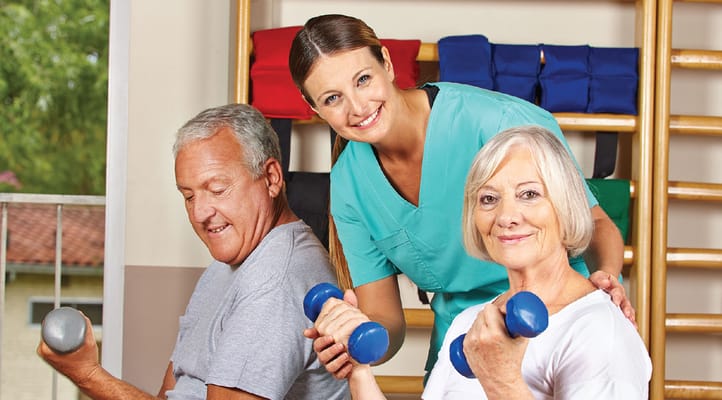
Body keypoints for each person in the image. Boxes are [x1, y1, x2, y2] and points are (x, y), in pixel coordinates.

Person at [288, 13, 633, 377]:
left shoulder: (499, 123)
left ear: (386, 63)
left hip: (555, 322)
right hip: (461, 346)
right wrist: (356, 340)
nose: (357, 107)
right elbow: (385, 318)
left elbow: (594, 222)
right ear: (314, 108)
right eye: (332, 99)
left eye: (363, 79)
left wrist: (606, 281)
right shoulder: (348, 183)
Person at [37, 104, 350, 400]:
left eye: (216, 190)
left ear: (271, 178)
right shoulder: (232, 258)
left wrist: (88, 375)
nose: (200, 212)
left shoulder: (276, 280)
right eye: (188, 195)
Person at [315, 125, 652, 399]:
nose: (506, 216)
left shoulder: (599, 330)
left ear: (566, 206)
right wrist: (358, 373)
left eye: (529, 194)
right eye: (489, 199)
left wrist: (502, 382)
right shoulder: (472, 322)